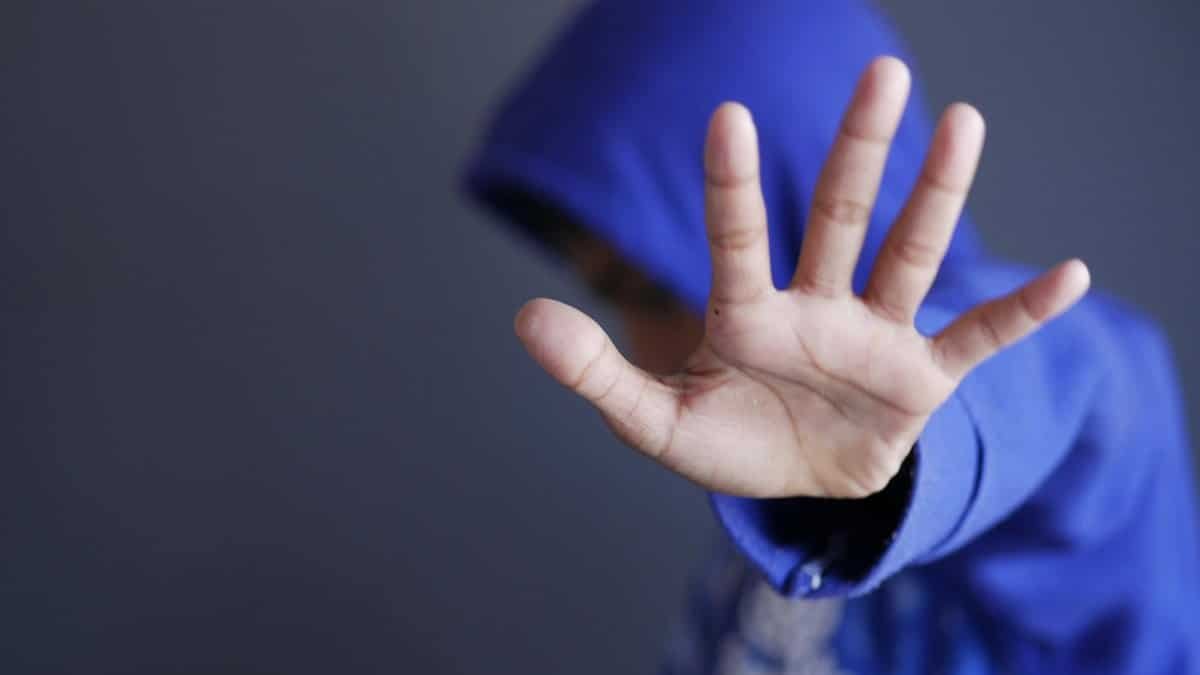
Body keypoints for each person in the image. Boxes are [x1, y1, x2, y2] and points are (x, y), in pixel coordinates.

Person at [464, 1, 1200, 672]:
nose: (641, 349)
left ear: (787, 190)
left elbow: (1080, 401)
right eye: (603, 293)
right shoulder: (776, 526)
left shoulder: (1039, 438)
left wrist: (925, 448)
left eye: (653, 289)